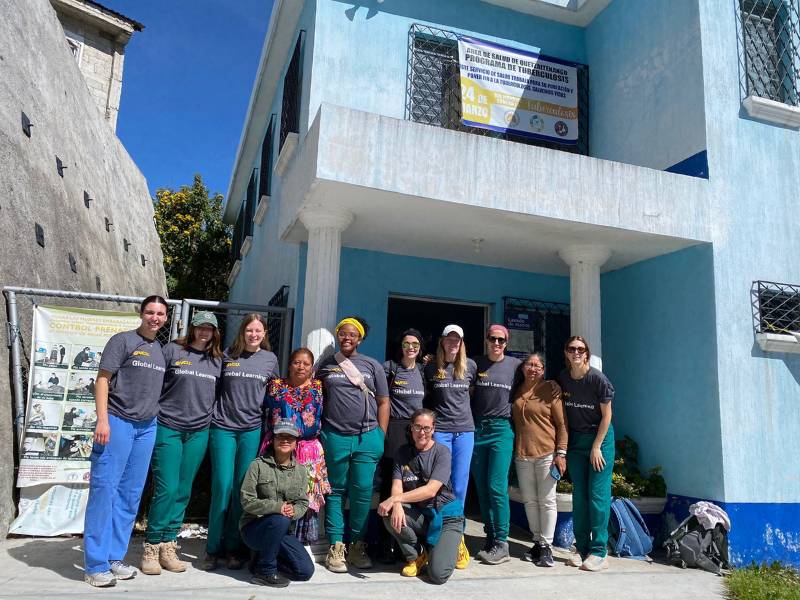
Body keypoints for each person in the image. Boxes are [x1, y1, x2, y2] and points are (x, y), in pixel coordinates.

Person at [82, 295, 168, 588]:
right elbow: (102, 379)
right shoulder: (122, 341)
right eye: (150, 312)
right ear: (141, 313)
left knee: (130, 495)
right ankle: (94, 565)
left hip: (147, 427)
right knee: (105, 490)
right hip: (117, 422)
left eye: (160, 314)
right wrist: (102, 419)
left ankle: (113, 556)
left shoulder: (161, 351)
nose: (154, 318)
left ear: (166, 318)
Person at [142, 311, 223, 575]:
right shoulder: (173, 351)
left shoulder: (217, 361)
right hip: (169, 428)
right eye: (200, 327)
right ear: (192, 329)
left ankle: (168, 543)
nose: (204, 332)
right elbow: (154, 382)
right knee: (167, 487)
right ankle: (152, 545)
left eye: (209, 329)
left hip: (199, 432)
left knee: (184, 489)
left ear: (215, 333)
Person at [203, 314, 279, 571]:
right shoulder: (227, 355)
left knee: (241, 490)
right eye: (249, 330)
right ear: (242, 332)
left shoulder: (270, 360)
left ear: (265, 333)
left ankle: (234, 547)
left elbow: (275, 396)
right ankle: (213, 548)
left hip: (251, 430)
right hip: (223, 428)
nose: (254, 334)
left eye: (258, 330)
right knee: (222, 487)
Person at [316, 316, 389, 572]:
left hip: (367, 437)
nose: (347, 338)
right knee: (335, 491)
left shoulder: (372, 365)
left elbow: (383, 401)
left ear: (360, 338)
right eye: (343, 334)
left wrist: (380, 434)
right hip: (334, 436)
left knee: (362, 493)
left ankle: (358, 546)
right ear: (338, 335)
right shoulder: (326, 365)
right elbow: (316, 396)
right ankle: (336, 546)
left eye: (352, 335)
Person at [378, 408, 465, 584]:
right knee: (387, 513)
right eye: (417, 427)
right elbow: (397, 485)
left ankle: (457, 544)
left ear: (433, 430)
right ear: (411, 428)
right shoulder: (403, 452)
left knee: (437, 575)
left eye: (426, 428)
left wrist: (396, 499)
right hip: (423, 514)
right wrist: (396, 505)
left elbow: (430, 490)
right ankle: (417, 555)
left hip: (446, 515)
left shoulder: (442, 452)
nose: (422, 432)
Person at [557, 336, 614, 572]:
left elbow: (607, 416)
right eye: (572, 349)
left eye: (581, 349)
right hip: (576, 442)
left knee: (597, 495)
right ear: (566, 353)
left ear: (587, 354)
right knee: (580, 496)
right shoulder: (563, 378)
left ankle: (599, 551)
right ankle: (581, 548)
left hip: (599, 441)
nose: (576, 352)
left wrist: (597, 446)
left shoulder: (597, 379)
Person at [261, 347, 330, 543]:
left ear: (312, 367)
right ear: (289, 365)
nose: (301, 367)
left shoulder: (319, 386)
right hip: (280, 448)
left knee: (305, 495)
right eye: (296, 362)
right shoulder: (275, 385)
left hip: (308, 451)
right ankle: (275, 539)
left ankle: (301, 543)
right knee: (277, 491)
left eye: (306, 364)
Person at [423, 324, 476, 569]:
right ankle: (438, 535)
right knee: (440, 484)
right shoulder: (431, 367)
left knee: (461, 485)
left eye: (457, 340)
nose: (453, 343)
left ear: (461, 343)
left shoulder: (471, 367)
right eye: (449, 339)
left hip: (465, 431)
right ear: (443, 342)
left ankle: (458, 537)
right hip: (441, 432)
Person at [240, 419, 315, 587]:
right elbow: (246, 501)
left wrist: (293, 511)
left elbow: (303, 502)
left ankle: (259, 561)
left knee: (305, 572)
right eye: (280, 437)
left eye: (290, 437)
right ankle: (265, 572)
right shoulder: (257, 465)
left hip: (281, 531)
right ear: (272, 440)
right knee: (279, 518)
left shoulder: (301, 471)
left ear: (296, 443)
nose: (285, 441)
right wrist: (277, 507)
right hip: (254, 529)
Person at [471, 324, 521, 565]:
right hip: (477, 429)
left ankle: (502, 541)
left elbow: (533, 382)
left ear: (506, 343)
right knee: (481, 486)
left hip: (502, 430)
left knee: (496, 486)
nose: (497, 343)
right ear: (486, 339)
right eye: (493, 339)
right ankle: (490, 537)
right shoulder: (474, 363)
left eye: (501, 340)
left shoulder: (515, 366)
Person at [512, 353, 567, 567]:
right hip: (522, 454)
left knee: (547, 501)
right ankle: (537, 541)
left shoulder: (551, 390)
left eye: (537, 365)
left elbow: (562, 425)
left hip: (547, 453)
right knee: (530, 501)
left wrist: (561, 453)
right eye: (529, 364)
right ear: (523, 367)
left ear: (543, 369)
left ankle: (547, 546)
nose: (533, 368)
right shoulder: (516, 389)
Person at [379, 328, 426, 563]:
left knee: (412, 483)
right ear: (401, 346)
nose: (411, 347)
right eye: (407, 343)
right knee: (390, 483)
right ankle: (386, 543)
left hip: (417, 431)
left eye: (415, 343)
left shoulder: (423, 371)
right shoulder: (390, 368)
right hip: (395, 430)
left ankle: (407, 538)